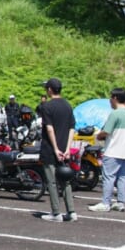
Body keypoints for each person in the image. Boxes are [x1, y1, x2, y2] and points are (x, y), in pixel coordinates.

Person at [89, 88, 125, 213]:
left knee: (108, 177)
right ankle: (120, 202)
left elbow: (106, 131)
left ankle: (105, 203)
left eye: (110, 98)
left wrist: (98, 135)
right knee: (122, 177)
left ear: (115, 98)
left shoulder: (115, 113)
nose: (109, 101)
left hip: (113, 150)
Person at [39, 78, 77, 222]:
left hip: (50, 149)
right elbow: (72, 128)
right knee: (65, 180)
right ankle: (71, 211)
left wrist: (55, 149)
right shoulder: (67, 105)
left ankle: (56, 213)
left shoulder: (47, 107)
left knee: (52, 181)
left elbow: (49, 129)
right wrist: (67, 148)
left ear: (49, 90)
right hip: (65, 149)